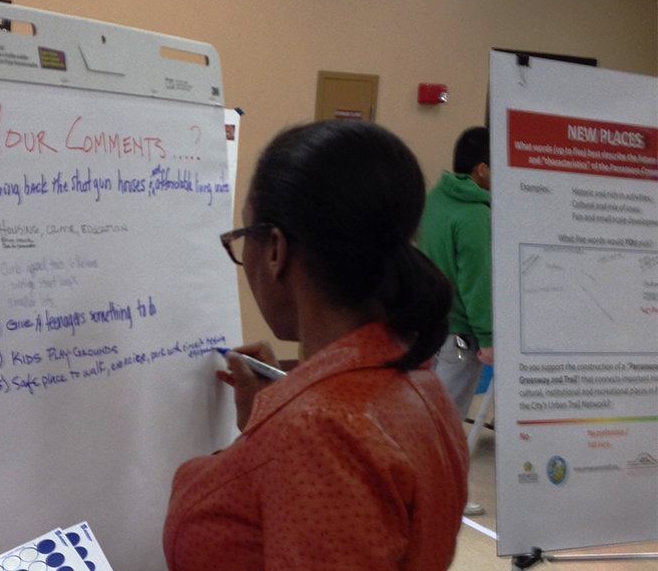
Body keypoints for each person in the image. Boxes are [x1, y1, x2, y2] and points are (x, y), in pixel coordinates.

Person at [163, 120, 469, 570]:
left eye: (245, 235)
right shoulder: (419, 385)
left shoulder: (319, 431)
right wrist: (263, 430)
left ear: (275, 250)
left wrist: (287, 429)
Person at [417, 125, 492, 516]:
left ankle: (431, 493)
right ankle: (440, 498)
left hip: (429, 326)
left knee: (430, 412)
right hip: (461, 335)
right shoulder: (476, 216)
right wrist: (489, 336)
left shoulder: (433, 201)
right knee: (445, 422)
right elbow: (478, 284)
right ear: (481, 169)